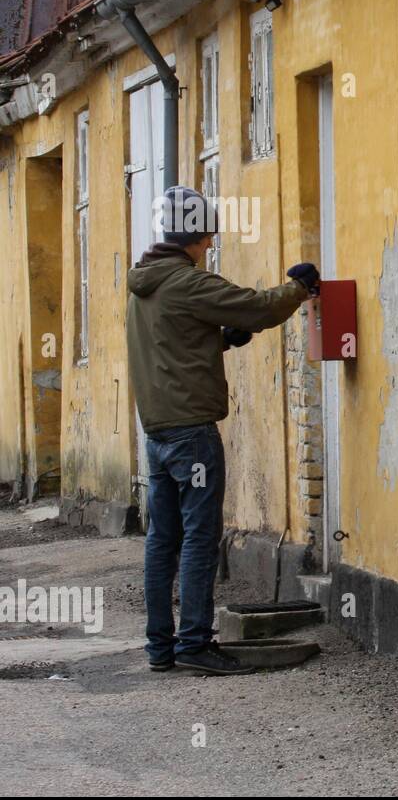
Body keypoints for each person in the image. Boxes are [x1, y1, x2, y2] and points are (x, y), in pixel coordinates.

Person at [126, 185, 319, 675]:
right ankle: (193, 643)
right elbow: (257, 307)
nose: (210, 244)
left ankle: (160, 647)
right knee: (198, 537)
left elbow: (174, 343)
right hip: (192, 434)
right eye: (207, 235)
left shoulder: (145, 284)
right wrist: (299, 286)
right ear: (194, 235)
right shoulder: (187, 281)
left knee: (162, 540)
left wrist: (218, 340)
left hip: (157, 432)